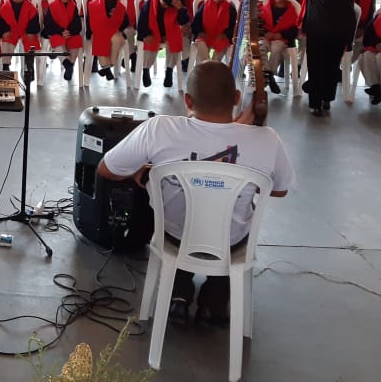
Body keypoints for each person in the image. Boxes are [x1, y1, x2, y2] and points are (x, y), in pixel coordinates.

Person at [96, 61, 294, 326]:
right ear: (236, 98)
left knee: (182, 224)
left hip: (175, 235)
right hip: (231, 242)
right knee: (226, 228)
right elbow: (279, 191)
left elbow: (106, 169)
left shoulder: (159, 129)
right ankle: (215, 302)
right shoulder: (267, 139)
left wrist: (137, 172)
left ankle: (177, 295)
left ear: (187, 100)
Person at [299, 0, 366, 116]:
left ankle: (315, 103)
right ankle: (327, 98)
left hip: (318, 22)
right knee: (332, 62)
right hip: (342, 23)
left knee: (316, 62)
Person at [137, 0, 190, 88]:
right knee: (150, 42)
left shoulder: (175, 7)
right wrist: (146, 34)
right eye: (164, 4)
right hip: (151, 32)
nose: (165, 6)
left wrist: (180, 9)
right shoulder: (149, 4)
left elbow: (183, 21)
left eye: (168, 6)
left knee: (175, 41)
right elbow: (142, 22)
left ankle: (169, 71)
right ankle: (146, 69)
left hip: (169, 33)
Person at [259, 0, 300, 95]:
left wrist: (281, 34)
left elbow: (294, 30)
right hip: (265, 37)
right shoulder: (264, 9)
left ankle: (268, 75)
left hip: (281, 39)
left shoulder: (291, 11)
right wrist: (265, 33)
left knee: (277, 48)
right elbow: (258, 24)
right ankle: (270, 76)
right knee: (260, 46)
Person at [85, 0, 128, 80]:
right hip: (98, 31)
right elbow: (89, 19)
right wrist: (89, 31)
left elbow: (125, 21)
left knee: (118, 40)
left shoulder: (119, 6)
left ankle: (109, 65)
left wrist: (118, 25)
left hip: (114, 30)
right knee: (99, 39)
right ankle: (106, 67)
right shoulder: (93, 4)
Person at [42, 0, 83, 81]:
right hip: (55, 32)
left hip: (70, 33)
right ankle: (66, 63)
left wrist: (69, 31)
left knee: (76, 39)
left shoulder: (73, 6)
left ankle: (71, 64)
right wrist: (61, 31)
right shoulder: (52, 6)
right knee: (57, 40)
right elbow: (48, 23)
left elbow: (77, 23)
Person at [191, 0, 236, 65]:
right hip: (206, 35)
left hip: (221, 38)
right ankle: (209, 66)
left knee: (219, 52)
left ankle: (211, 66)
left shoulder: (230, 8)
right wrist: (200, 31)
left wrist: (225, 34)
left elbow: (233, 25)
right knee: (200, 43)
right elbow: (196, 21)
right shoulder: (204, 5)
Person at [0, 0, 40, 68]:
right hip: (11, 31)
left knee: (30, 42)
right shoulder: (6, 7)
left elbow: (34, 21)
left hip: (25, 32)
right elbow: (1, 21)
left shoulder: (30, 7)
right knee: (6, 42)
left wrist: (31, 31)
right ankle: (5, 64)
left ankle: (28, 65)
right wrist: (4, 31)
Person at [178, 0, 211, 71]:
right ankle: (185, 59)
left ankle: (203, 64)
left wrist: (194, 26)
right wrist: (185, 24)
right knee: (182, 33)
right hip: (183, 22)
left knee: (201, 35)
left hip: (199, 23)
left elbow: (206, 13)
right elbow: (178, 8)